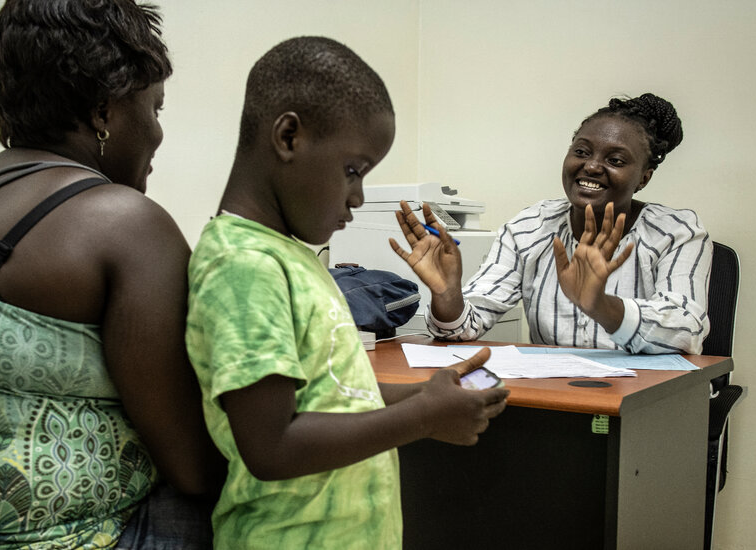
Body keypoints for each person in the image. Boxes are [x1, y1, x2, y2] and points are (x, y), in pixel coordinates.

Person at [0, 1, 222, 547]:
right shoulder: (124, 221)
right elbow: (192, 467)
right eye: (155, 108)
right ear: (104, 112)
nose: (158, 133)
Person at [184, 36, 510, 549]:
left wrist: (425, 393)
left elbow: (330, 392)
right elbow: (272, 447)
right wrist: (423, 417)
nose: (357, 197)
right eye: (354, 171)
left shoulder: (288, 256)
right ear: (289, 137)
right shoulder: (242, 265)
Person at [391, 93, 711, 355]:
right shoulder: (529, 228)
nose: (592, 166)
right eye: (581, 151)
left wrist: (601, 305)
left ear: (644, 178)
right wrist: (447, 296)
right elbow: (465, 327)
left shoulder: (677, 233)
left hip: (647, 402)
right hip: (557, 398)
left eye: (615, 160)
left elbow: (686, 330)